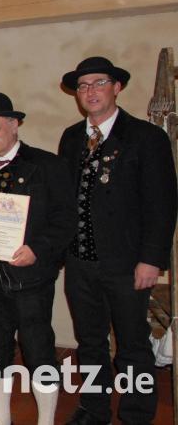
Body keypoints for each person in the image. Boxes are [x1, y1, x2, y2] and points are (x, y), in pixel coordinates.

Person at [57, 57, 177, 425]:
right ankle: (94, 409)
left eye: (98, 83)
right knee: (90, 342)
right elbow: (64, 199)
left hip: (127, 265)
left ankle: (136, 414)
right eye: (83, 86)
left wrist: (151, 260)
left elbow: (162, 204)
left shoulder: (146, 137)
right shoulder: (72, 137)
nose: (90, 91)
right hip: (81, 263)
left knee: (133, 345)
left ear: (117, 87)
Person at [0, 93, 76, 425]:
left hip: (31, 278)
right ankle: (2, 417)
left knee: (38, 348)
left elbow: (65, 220)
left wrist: (38, 249)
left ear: (15, 125)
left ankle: (45, 420)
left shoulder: (48, 166)